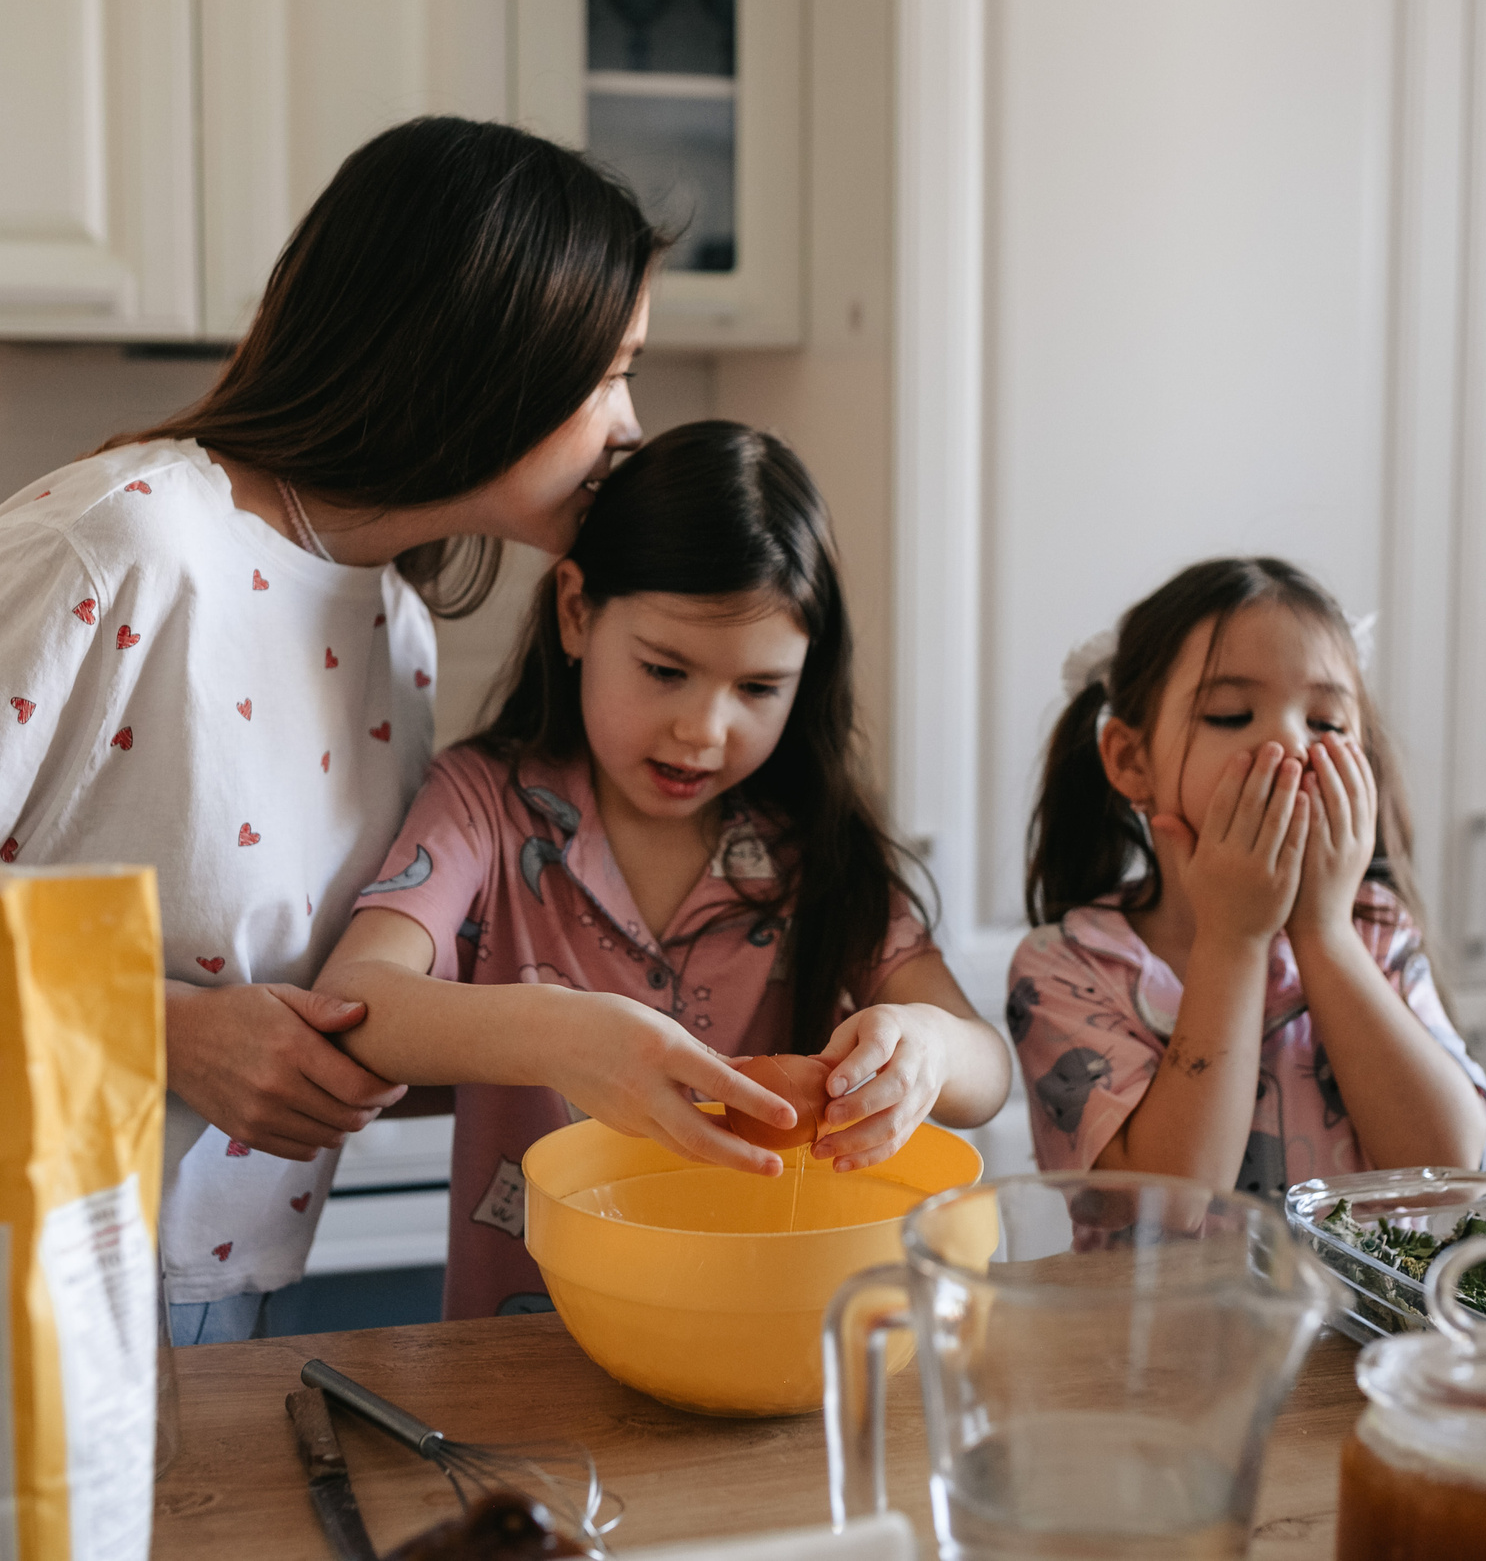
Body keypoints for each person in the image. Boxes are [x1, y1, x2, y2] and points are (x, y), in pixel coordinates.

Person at [0, 115, 686, 1344]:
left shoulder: (393, 625)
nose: (630, 427)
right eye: (610, 370)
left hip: (208, 1298)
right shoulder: (127, 543)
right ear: (481, 354)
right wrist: (159, 1035)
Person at [316, 422, 1013, 1318]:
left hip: (766, 1337)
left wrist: (924, 1047)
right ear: (576, 612)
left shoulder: (816, 848)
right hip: (530, 1363)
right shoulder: (484, 805)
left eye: (759, 689)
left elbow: (984, 1071)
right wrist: (564, 1036)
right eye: (665, 669)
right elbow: (356, 1002)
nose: (705, 729)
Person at [1008, 557, 1486, 1195]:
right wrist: (1233, 939)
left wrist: (1323, 933)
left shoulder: (1374, 933)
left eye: (1327, 723)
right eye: (1231, 715)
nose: (1293, 745)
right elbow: (1170, 1203)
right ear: (1130, 760)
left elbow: (1450, 1173)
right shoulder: (1069, 967)